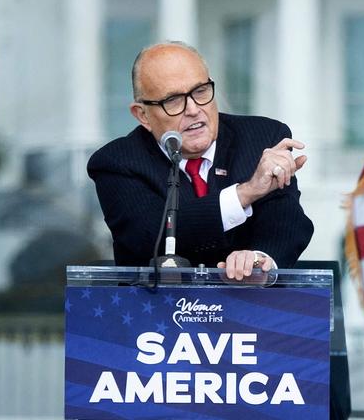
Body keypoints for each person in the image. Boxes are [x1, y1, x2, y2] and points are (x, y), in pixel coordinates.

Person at [87, 41, 313, 280]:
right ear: (143, 115)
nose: (193, 109)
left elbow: (287, 222)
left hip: (253, 308)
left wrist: (258, 259)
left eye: (200, 91)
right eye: (173, 100)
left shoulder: (263, 139)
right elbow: (150, 234)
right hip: (158, 311)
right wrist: (245, 193)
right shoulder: (117, 162)